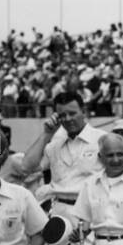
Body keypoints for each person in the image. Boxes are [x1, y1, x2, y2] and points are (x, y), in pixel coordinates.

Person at [17, 90, 106, 219]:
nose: (68, 119)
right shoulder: (54, 145)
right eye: (62, 115)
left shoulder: (101, 139)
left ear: (84, 111)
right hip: (59, 214)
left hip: (91, 212)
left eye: (72, 113)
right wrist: (46, 134)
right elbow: (26, 167)